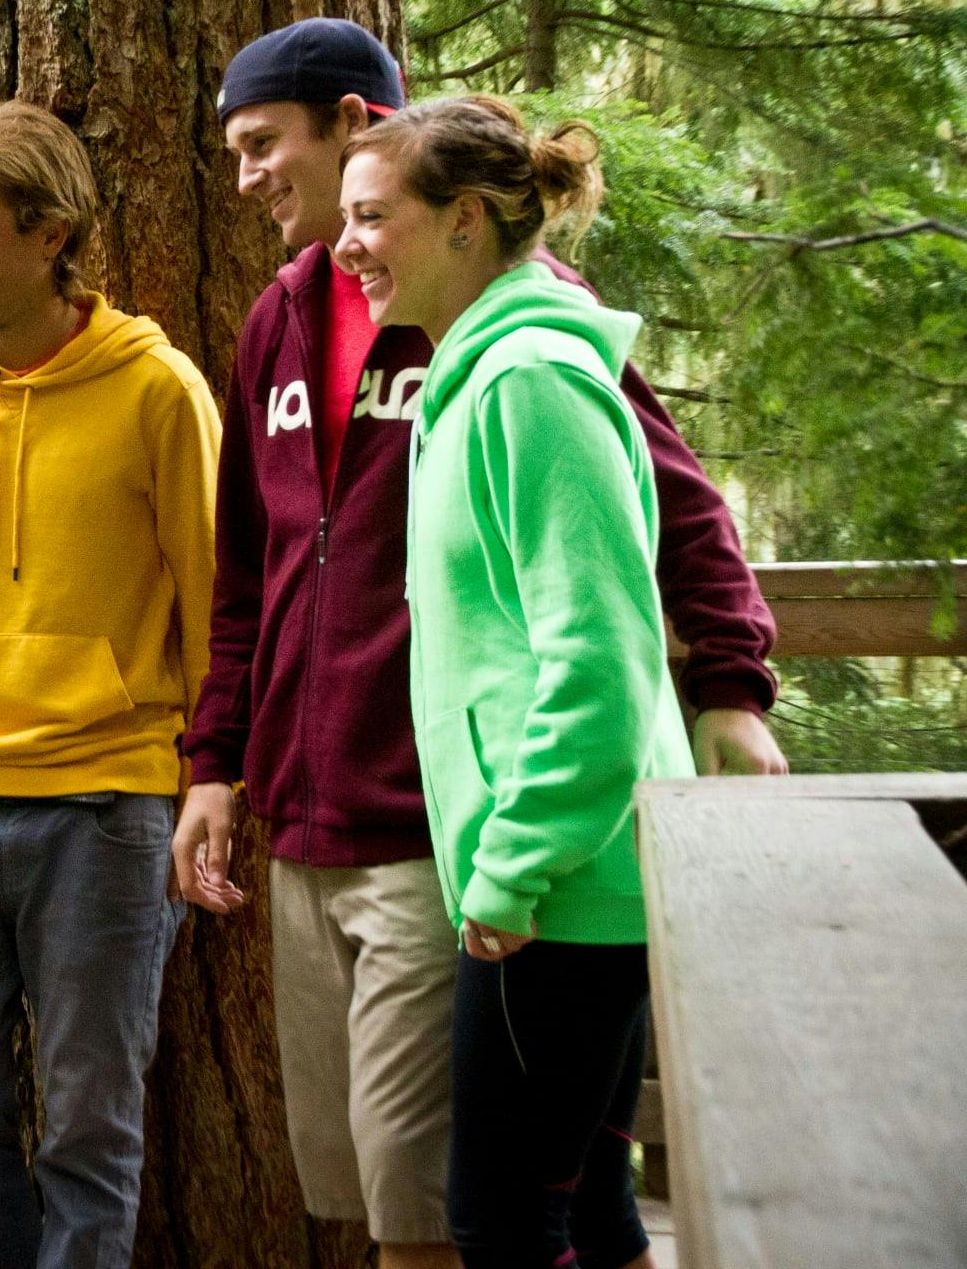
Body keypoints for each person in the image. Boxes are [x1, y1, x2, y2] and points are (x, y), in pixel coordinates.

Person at [174, 19, 784, 1269]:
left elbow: (663, 514)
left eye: (260, 145)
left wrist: (730, 683)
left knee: (469, 1215)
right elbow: (254, 575)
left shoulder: (528, 343)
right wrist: (217, 761)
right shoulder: (278, 326)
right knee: (411, 1200)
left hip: (465, 834)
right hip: (309, 815)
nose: (244, 179)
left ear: (357, 128)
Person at [334, 95, 692, 1268]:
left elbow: (601, 657)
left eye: (375, 217)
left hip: (564, 888)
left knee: (497, 1217)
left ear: (466, 222)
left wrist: (513, 862)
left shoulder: (531, 385)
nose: (348, 247)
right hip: (560, 879)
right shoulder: (472, 378)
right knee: (587, 1204)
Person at [0, 100, 218, 1269]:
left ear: (52, 232)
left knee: (90, 1130)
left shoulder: (158, 391)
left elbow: (214, 598)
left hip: (108, 811)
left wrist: (206, 781)